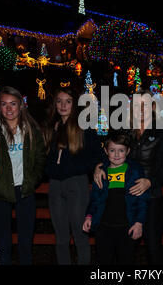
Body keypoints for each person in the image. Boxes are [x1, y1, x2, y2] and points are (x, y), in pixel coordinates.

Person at [94, 89, 163, 264]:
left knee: (153, 245)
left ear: (153, 106)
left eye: (146, 104)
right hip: (125, 196)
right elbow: (109, 151)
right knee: (124, 246)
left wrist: (150, 182)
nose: (142, 108)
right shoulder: (124, 129)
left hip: (151, 196)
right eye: (138, 104)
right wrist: (99, 166)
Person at [0, 86, 46, 265]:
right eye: (4, 104)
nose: (9, 109)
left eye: (13, 104)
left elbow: (41, 157)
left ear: (21, 105)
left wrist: (33, 179)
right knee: (3, 241)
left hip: (25, 190)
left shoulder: (31, 128)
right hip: (1, 191)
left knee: (25, 241)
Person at [45, 86, 104, 264]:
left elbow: (98, 156)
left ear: (75, 104)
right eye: (59, 101)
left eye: (68, 101)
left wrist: (94, 167)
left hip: (76, 183)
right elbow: (43, 156)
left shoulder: (83, 127)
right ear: (55, 104)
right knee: (61, 236)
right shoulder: (51, 127)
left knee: (80, 233)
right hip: (55, 185)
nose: (63, 105)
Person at [83, 132, 150, 264]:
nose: (117, 154)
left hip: (127, 227)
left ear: (128, 151)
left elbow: (142, 201)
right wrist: (89, 216)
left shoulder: (135, 171)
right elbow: (95, 198)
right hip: (104, 227)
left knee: (126, 259)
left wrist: (139, 223)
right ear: (106, 151)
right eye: (112, 150)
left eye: (121, 150)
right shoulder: (102, 172)